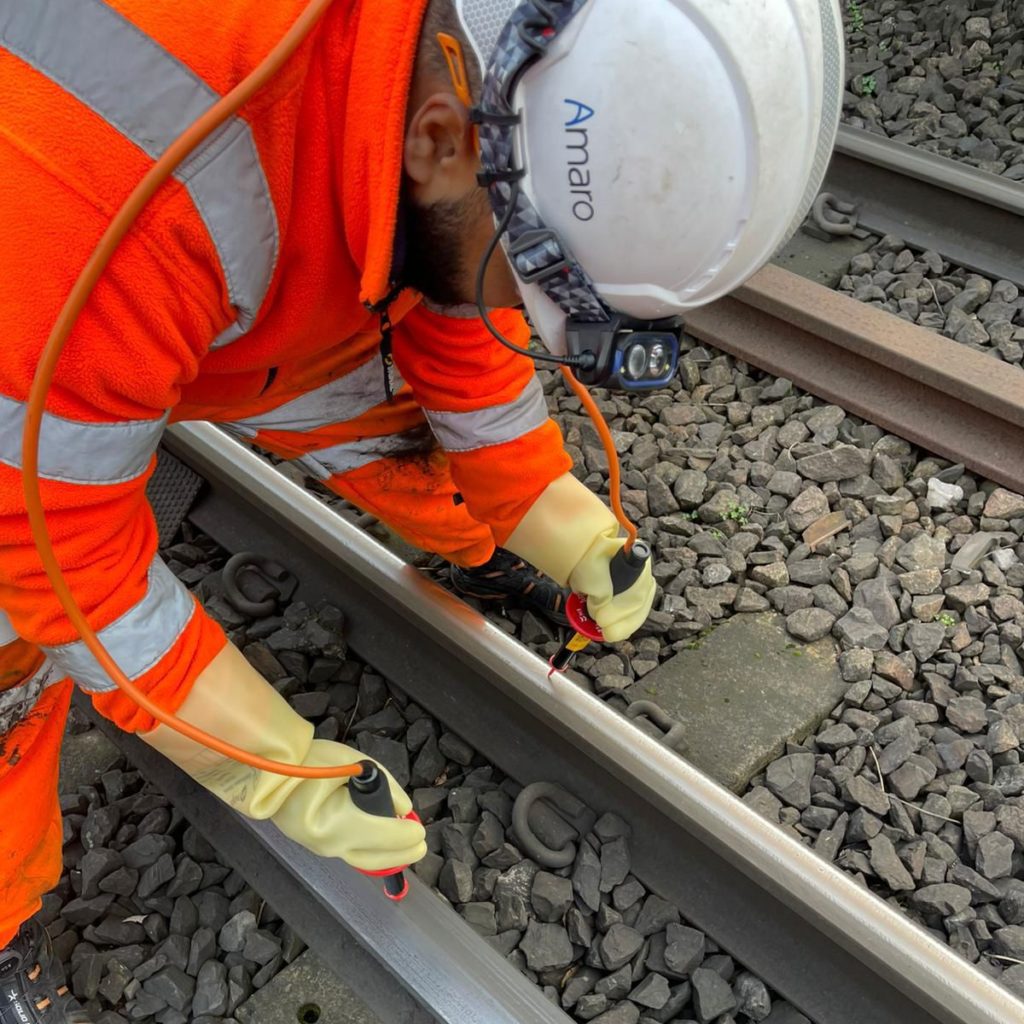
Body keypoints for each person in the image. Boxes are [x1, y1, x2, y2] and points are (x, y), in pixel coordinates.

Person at [0, 0, 841, 1019]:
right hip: (47, 284)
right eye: (530, 275)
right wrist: (272, 762)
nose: (515, 307)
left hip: (215, 255)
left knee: (412, 384)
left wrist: (538, 503)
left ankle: (483, 535)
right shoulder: (101, 213)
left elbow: (457, 291)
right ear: (439, 141)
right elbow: (57, 548)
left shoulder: (443, 72)